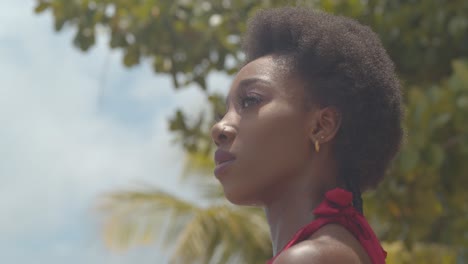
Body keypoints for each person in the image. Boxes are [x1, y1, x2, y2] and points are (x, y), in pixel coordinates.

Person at [210, 7, 403, 264]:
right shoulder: (337, 249)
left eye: (250, 101)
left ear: (321, 126)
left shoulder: (311, 258)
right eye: (226, 110)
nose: (219, 128)